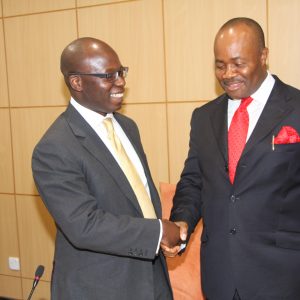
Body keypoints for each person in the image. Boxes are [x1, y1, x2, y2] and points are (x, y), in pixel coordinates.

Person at [32, 37, 181, 300]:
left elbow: (137, 198)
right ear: (76, 82)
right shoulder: (55, 147)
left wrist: (159, 238)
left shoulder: (128, 127)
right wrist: (156, 232)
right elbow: (84, 225)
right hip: (102, 288)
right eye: (108, 75)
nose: (121, 81)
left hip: (151, 277)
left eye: (121, 72)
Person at [164, 17, 300, 299]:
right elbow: (194, 181)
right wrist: (182, 220)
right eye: (220, 64)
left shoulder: (296, 109)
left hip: (284, 276)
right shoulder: (203, 118)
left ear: (263, 56)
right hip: (220, 276)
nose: (228, 74)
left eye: (238, 63)